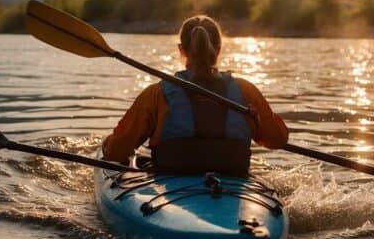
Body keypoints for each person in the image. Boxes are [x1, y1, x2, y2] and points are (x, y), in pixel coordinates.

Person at [101, 15, 288, 176]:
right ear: (218, 49)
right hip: (232, 180)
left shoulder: (157, 94)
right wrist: (255, 120)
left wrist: (106, 145)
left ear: (181, 50)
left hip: (172, 185)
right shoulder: (246, 91)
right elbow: (278, 140)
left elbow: (115, 153)